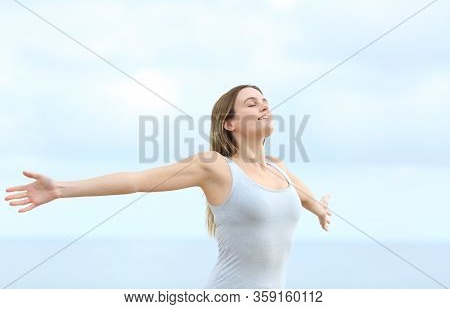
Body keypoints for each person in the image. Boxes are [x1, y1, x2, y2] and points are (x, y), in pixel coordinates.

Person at [4, 84, 332, 288]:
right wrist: (60, 188)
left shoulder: (280, 169)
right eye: (251, 103)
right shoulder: (216, 167)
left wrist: (320, 209)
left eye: (264, 100)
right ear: (229, 123)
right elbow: (136, 181)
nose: (264, 105)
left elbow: (303, 197)